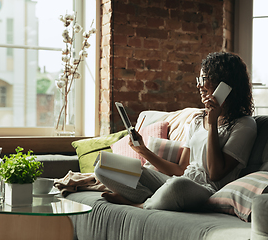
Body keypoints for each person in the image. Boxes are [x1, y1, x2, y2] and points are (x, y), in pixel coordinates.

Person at [94, 51, 257, 212]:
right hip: (180, 180)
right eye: (199, 79)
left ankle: (140, 205)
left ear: (225, 85)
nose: (199, 85)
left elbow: (215, 174)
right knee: (103, 165)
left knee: (177, 186)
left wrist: (213, 124)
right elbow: (180, 170)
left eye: (204, 79)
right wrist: (143, 151)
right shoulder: (198, 120)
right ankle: (151, 198)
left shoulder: (244, 125)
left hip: (204, 191)